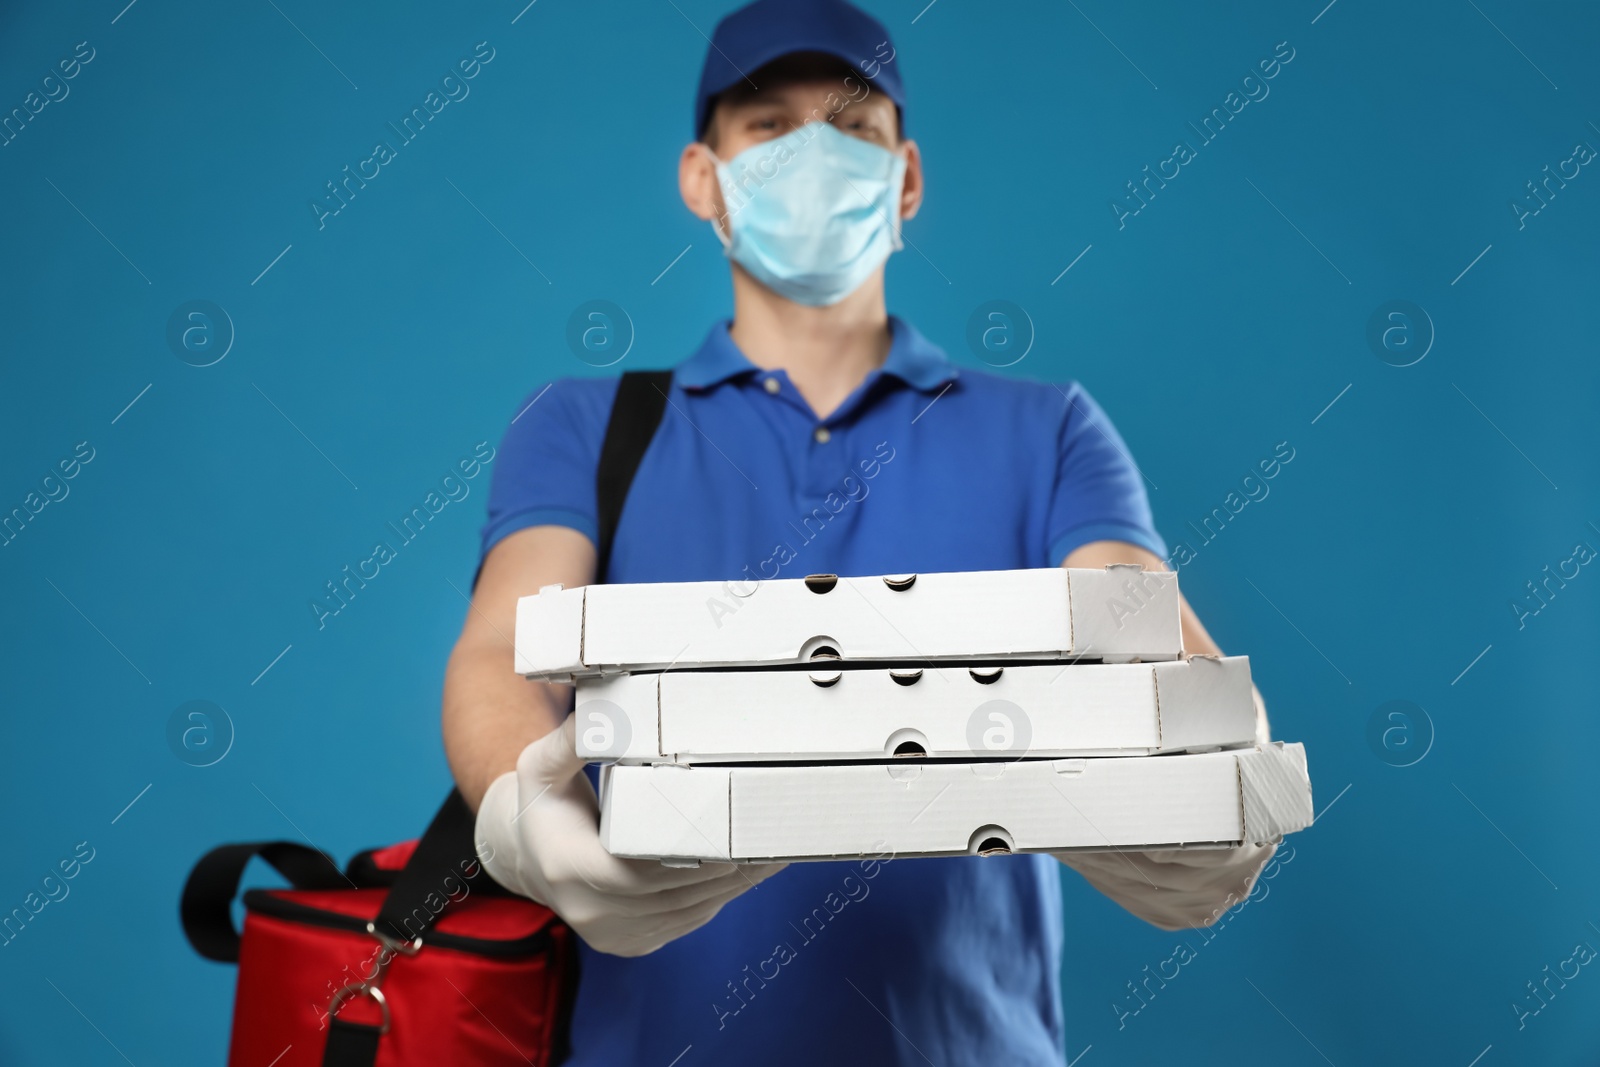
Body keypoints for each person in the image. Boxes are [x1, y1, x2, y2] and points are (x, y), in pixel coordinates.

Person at [446, 0, 1276, 1061]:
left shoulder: (1048, 428)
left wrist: (1221, 758)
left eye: (851, 128)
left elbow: (1145, 625)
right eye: (769, 125)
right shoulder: (580, 424)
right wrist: (525, 808)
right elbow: (499, 653)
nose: (811, 155)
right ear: (703, 178)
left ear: (907, 177)